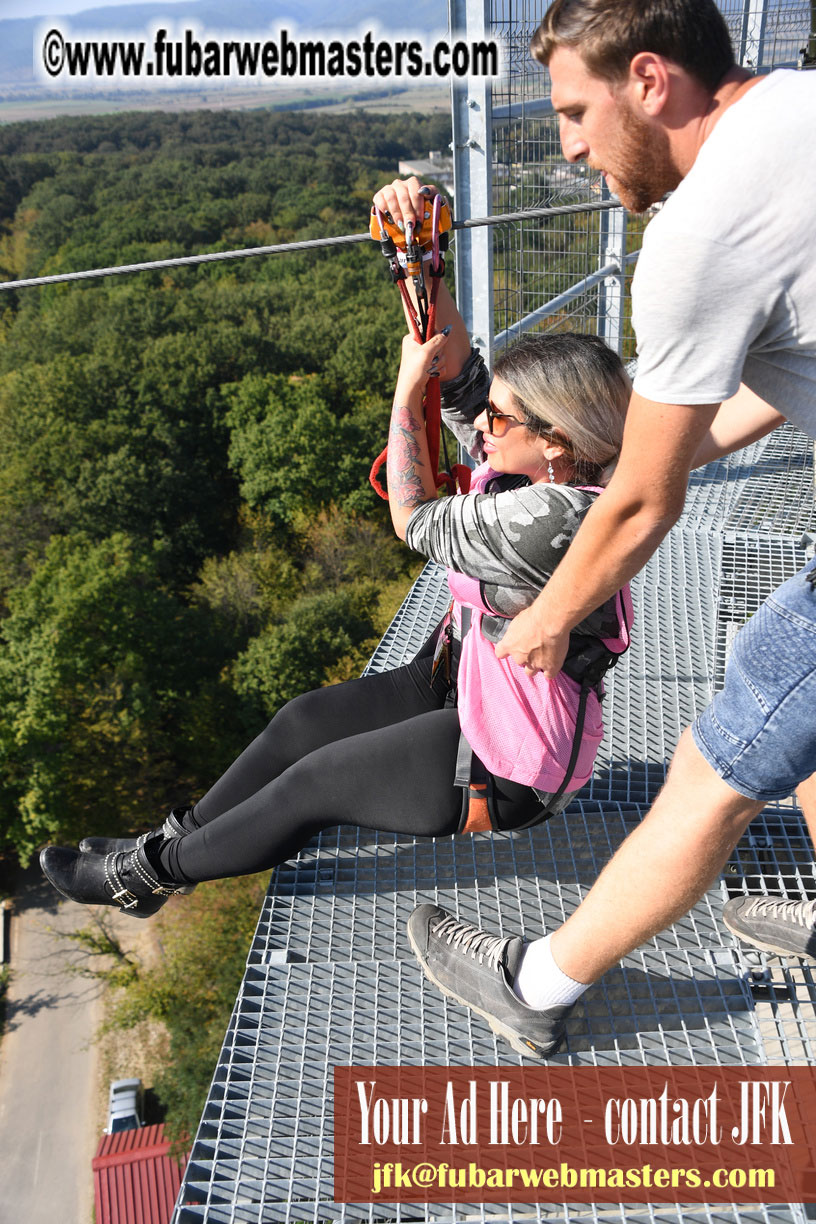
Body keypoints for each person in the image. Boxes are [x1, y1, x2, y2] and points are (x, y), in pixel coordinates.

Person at [39, 190, 632, 1057]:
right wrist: (421, 260)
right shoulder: (544, 466)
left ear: (556, 441)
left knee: (311, 785)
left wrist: (403, 387)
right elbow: (460, 369)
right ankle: (171, 844)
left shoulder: (552, 518)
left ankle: (145, 876)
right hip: (468, 683)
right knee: (303, 722)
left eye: (501, 420)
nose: (483, 427)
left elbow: (414, 515)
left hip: (506, 765)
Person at [406, 0, 816, 1055]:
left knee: (722, 760)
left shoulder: (701, 233)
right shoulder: (801, 116)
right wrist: (649, 450)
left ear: (649, 79)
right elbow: (784, 380)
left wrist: (551, 617)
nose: (573, 149)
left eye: (575, 112)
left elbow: (640, 503)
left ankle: (537, 984)